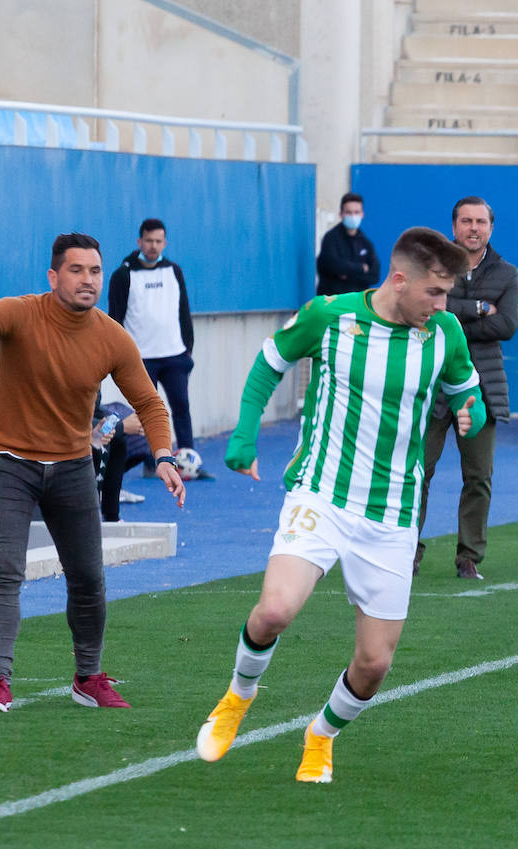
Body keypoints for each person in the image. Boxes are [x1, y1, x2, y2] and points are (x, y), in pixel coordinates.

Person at [195, 227, 485, 784]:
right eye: (435, 292)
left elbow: (465, 392)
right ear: (399, 280)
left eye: (447, 294)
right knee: (276, 610)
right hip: (322, 494)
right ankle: (237, 696)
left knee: (375, 665)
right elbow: (268, 362)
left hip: (394, 515)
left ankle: (320, 736)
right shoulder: (329, 316)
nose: (444, 305)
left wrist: (471, 410)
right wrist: (245, 434)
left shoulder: (445, 333)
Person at [0, 232, 187, 714]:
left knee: (88, 577)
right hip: (8, 462)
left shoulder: (111, 336)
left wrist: (165, 455)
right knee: (5, 570)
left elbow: (149, 402)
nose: (87, 280)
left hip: (71, 466)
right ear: (53, 276)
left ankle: (88, 677)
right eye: (76, 270)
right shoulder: (23, 312)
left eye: (94, 271)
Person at [416, 196, 518, 580]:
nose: (473, 228)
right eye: (465, 221)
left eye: (480, 221)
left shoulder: (506, 273)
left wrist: (454, 311)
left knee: (478, 476)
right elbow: (427, 310)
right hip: (430, 384)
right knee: (416, 472)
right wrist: (479, 309)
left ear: (491, 227)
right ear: (454, 226)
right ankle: (405, 552)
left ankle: (469, 557)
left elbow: (506, 326)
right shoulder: (434, 265)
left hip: (483, 388)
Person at [107, 218, 209, 479]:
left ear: (165, 242)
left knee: (181, 408)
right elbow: (114, 319)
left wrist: (188, 349)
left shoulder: (174, 270)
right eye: (149, 241)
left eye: (158, 241)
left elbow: (183, 311)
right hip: (141, 359)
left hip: (174, 355)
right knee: (146, 413)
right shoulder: (123, 274)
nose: (153, 246)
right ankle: (153, 462)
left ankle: (189, 462)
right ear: (139, 242)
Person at [316, 192, 380, 296]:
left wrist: (346, 273)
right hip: (332, 302)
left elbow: (374, 275)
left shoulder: (366, 243)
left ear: (362, 214)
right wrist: (361, 268)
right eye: (348, 212)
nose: (353, 216)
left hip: (356, 303)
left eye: (356, 212)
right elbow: (331, 266)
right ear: (341, 214)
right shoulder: (331, 239)